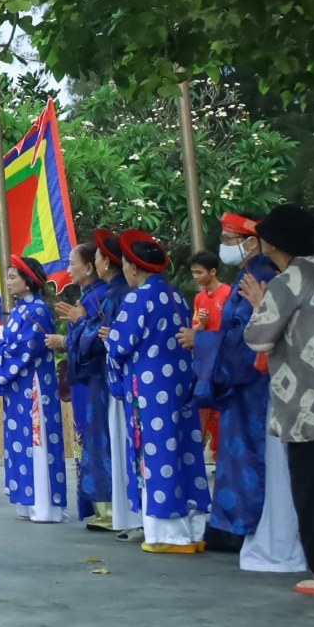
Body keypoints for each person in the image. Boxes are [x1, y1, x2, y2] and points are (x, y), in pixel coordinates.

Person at [240, 203, 314, 598]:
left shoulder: (289, 281)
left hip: (310, 404)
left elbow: (258, 337)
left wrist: (259, 306)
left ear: (271, 241)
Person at [191, 211, 299, 563]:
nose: (224, 246)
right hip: (247, 382)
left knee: (254, 459)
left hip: (254, 384)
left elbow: (245, 335)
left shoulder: (261, 277)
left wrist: (203, 341)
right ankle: (241, 529)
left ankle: (249, 530)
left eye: (229, 239)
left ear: (253, 242)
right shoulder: (252, 275)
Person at [103, 229, 211, 553]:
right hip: (180, 384)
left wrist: (108, 338)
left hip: (149, 388)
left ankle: (167, 534)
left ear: (133, 268)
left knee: (155, 454)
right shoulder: (176, 295)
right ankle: (194, 529)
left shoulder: (136, 298)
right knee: (184, 451)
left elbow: (121, 346)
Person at [0, 254, 67, 522]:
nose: (7, 282)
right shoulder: (22, 309)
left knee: (36, 440)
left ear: (28, 282)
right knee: (22, 441)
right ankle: (28, 502)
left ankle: (44, 506)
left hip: (34, 387)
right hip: (21, 386)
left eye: (12, 277)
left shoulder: (38, 310)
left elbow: (24, 349)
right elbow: (11, 346)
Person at [53, 240, 113, 528]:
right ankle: (100, 508)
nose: (68, 269)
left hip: (95, 380)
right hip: (85, 381)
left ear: (90, 267)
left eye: (72, 263)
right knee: (86, 439)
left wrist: (66, 339)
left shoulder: (98, 297)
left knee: (96, 437)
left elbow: (98, 339)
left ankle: (108, 508)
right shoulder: (88, 296)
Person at [89, 229, 142, 535]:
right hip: (119, 377)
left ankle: (129, 516)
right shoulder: (117, 293)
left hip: (122, 381)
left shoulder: (116, 295)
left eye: (96, 257)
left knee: (126, 444)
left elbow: (113, 339)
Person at [184, 248, 231, 458]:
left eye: (199, 272)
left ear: (213, 272)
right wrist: (201, 323)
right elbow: (195, 332)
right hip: (205, 361)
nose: (196, 277)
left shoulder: (228, 294)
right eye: (193, 273)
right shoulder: (199, 299)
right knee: (205, 408)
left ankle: (224, 454)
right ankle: (210, 453)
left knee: (222, 410)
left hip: (225, 358)